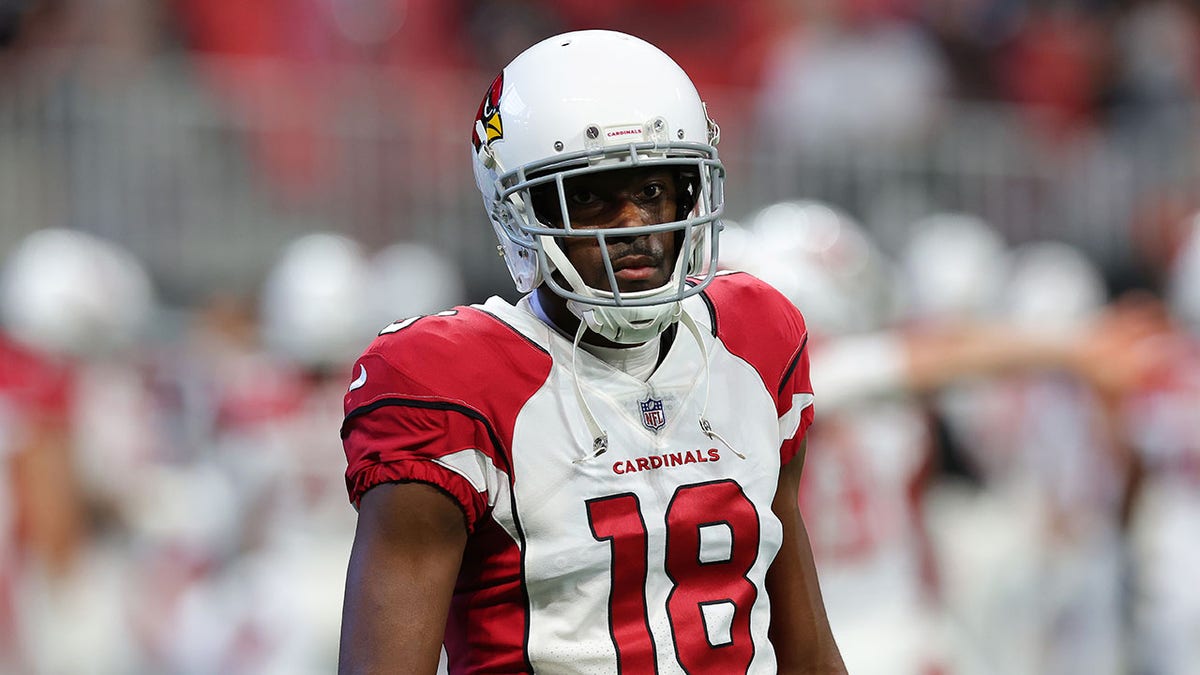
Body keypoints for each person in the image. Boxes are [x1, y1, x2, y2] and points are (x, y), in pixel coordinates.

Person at [337, 29, 847, 674]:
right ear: (517, 210)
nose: (636, 226)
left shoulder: (756, 336)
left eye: (655, 190)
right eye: (589, 196)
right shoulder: (449, 382)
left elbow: (802, 634)